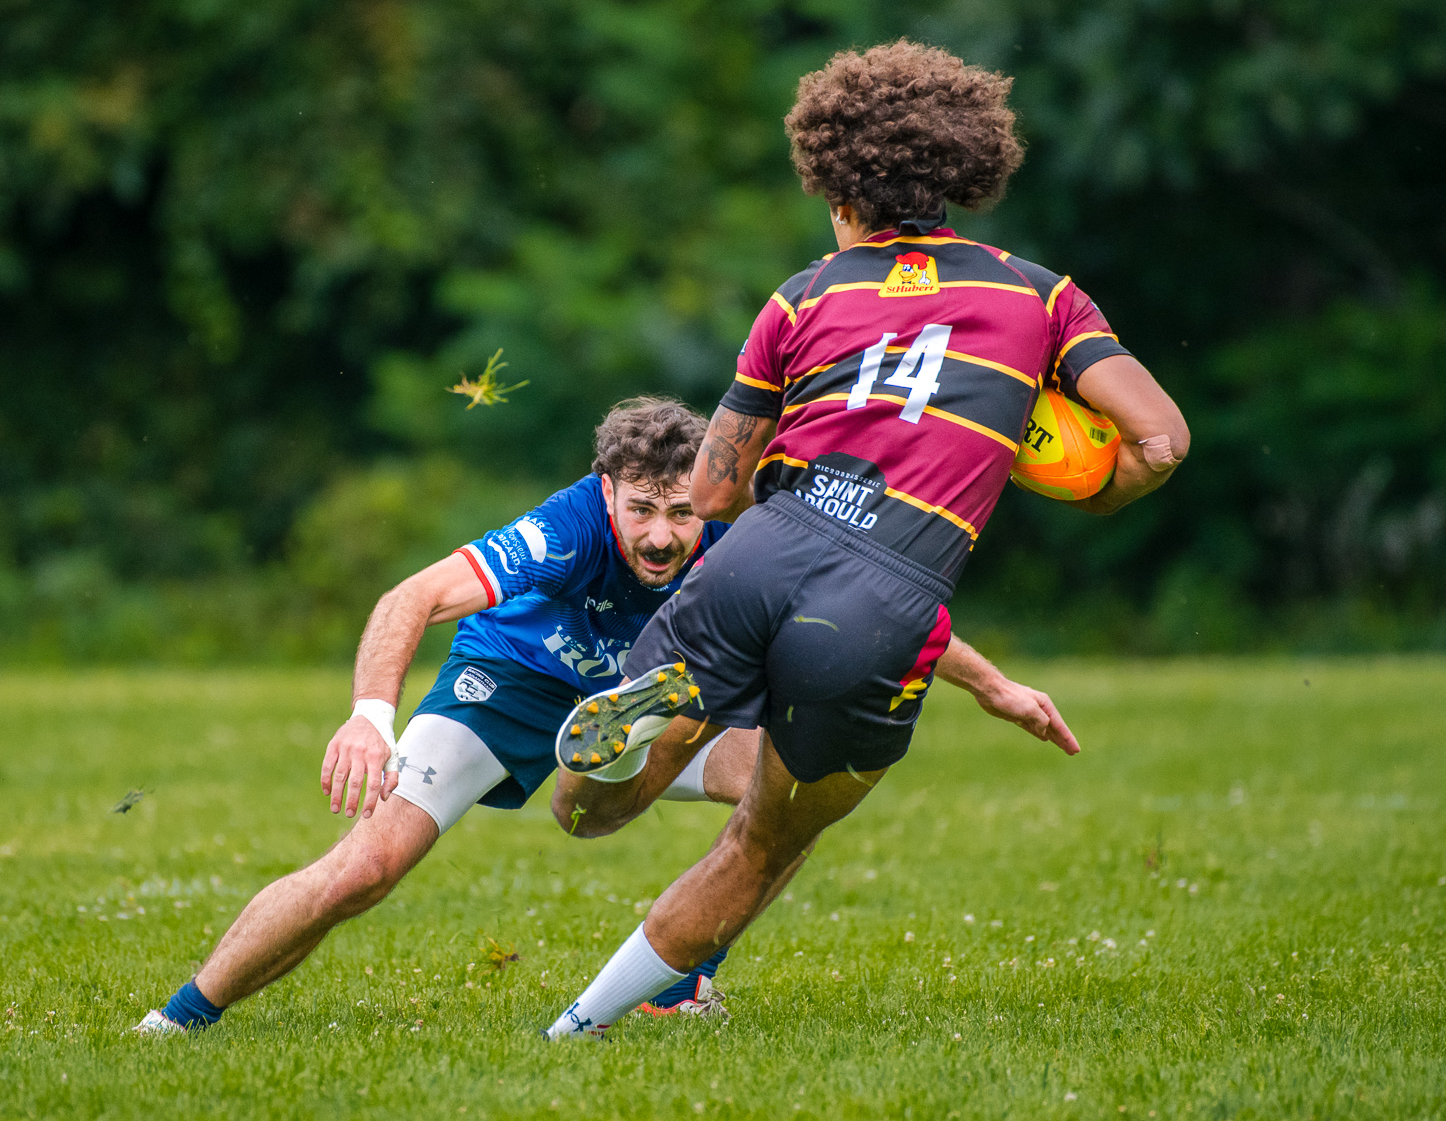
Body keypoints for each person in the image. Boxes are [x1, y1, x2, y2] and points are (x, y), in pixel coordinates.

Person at [544, 40, 1188, 1039]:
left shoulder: (807, 294)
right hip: (886, 601)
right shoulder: (1043, 298)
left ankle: (636, 718)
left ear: (840, 188)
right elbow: (1161, 440)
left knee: (586, 813)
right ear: (962, 179)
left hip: (767, 548)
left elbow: (712, 490)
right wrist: (1090, 488)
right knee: (765, 838)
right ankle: (578, 1025)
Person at [134, 397, 1073, 1034]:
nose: (664, 535)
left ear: (704, 495)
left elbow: (869, 599)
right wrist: (369, 716)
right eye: (642, 511)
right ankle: (176, 1020)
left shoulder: (739, 526)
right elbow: (410, 598)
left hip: (643, 701)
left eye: (680, 511)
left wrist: (993, 686)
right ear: (605, 489)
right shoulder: (568, 525)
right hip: (508, 687)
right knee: (365, 868)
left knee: (791, 797)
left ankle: (682, 979)